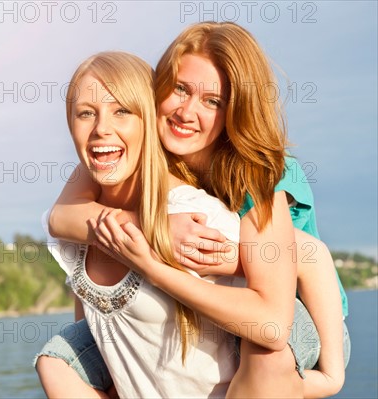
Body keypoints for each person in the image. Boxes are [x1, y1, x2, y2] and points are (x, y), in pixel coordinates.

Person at [37, 22, 349, 398]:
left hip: (302, 309)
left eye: (212, 101)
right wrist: (156, 230)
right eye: (179, 90)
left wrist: (332, 374)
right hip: (222, 296)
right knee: (56, 358)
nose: (186, 111)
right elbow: (62, 218)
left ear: (234, 110)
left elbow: (309, 259)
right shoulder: (131, 146)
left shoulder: (257, 175)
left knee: (265, 352)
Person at [37, 50, 249, 398]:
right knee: (53, 361)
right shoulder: (81, 228)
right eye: (85, 113)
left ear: (149, 120)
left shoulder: (194, 215)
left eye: (122, 111)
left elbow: (275, 314)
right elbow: (107, 358)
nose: (101, 128)